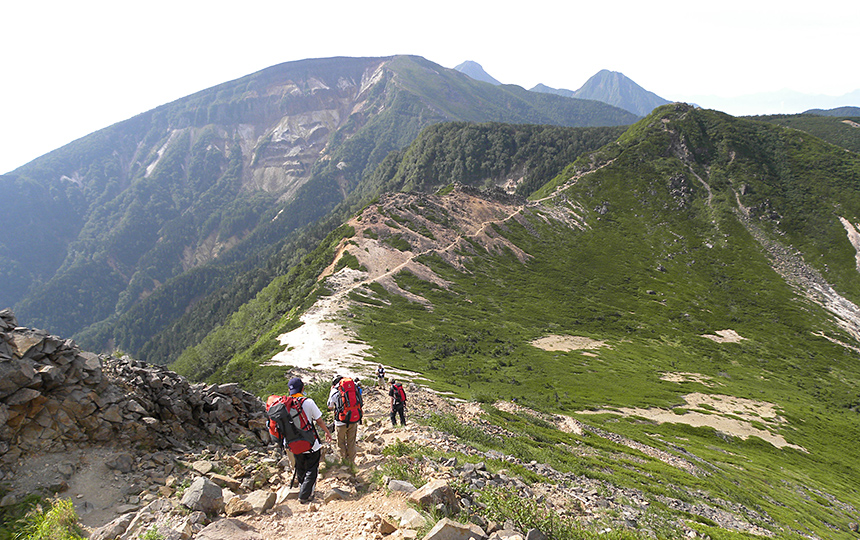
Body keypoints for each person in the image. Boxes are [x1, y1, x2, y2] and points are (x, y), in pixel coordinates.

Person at [286, 377, 332, 504]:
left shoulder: (286, 404)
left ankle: (302, 488)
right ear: (302, 388)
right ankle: (305, 494)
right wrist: (327, 432)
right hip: (310, 442)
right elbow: (319, 420)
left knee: (300, 466)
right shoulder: (308, 402)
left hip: (294, 443)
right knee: (312, 468)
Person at [327, 375, 362, 465]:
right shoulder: (353, 387)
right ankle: (352, 462)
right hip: (353, 419)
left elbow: (330, 407)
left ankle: (343, 462)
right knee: (351, 442)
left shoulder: (335, 391)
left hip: (340, 421)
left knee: (340, 442)